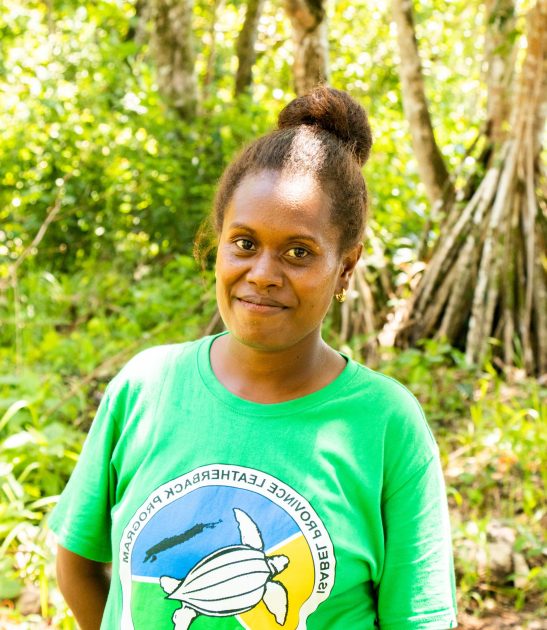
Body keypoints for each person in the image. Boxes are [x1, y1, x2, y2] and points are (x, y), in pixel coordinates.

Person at [50, 86, 458, 630]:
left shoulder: (386, 424)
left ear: (346, 266)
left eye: (299, 252)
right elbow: (78, 560)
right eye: (244, 242)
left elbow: (420, 620)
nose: (263, 272)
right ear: (217, 244)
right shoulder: (145, 388)